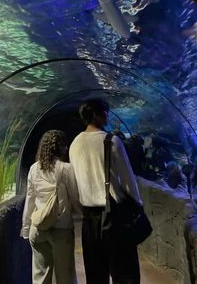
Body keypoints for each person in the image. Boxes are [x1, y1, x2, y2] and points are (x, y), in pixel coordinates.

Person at [69, 98, 143, 284]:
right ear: (95, 114)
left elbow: (75, 183)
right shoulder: (112, 141)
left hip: (89, 221)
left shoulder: (74, 144)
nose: (107, 116)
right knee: (125, 274)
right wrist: (137, 206)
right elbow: (128, 182)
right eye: (105, 112)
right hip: (115, 217)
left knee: (95, 275)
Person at [20, 129, 80, 284]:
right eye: (65, 146)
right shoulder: (66, 169)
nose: (66, 148)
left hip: (38, 228)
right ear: (60, 148)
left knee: (40, 277)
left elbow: (30, 201)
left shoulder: (34, 169)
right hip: (62, 229)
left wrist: (26, 228)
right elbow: (75, 198)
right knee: (65, 276)